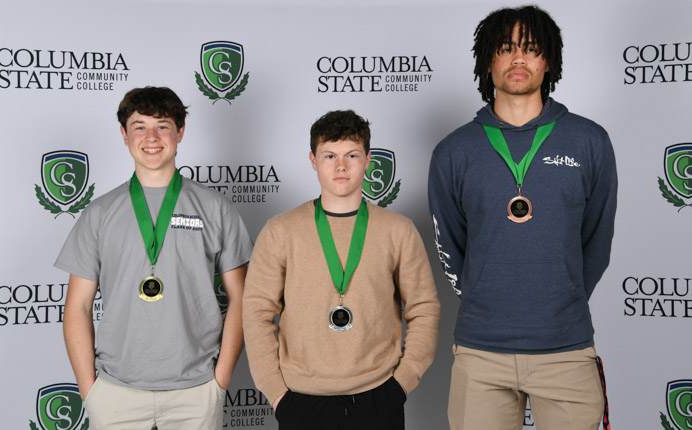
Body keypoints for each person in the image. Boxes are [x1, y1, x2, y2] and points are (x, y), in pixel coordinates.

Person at [428, 6, 617, 430]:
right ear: (488, 61)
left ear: (547, 60)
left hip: (566, 350)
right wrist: (487, 297)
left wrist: (559, 301)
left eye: (531, 49)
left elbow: (597, 241)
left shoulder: (590, 141)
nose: (518, 59)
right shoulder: (454, 152)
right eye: (506, 48)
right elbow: (450, 245)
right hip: (481, 352)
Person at [56, 86, 252, 429]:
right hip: (116, 392)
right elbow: (78, 306)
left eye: (162, 125)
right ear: (124, 134)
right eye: (139, 126)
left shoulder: (215, 208)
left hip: (196, 392)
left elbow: (242, 298)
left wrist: (219, 381)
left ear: (180, 132)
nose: (151, 137)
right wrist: (90, 391)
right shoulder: (99, 213)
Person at [243, 110, 440, 430]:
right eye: (329, 155)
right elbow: (256, 313)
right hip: (301, 400)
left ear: (368, 159)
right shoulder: (281, 231)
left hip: (378, 396)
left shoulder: (398, 230)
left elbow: (424, 308)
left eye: (351, 155)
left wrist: (401, 383)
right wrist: (277, 393)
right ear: (312, 160)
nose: (340, 166)